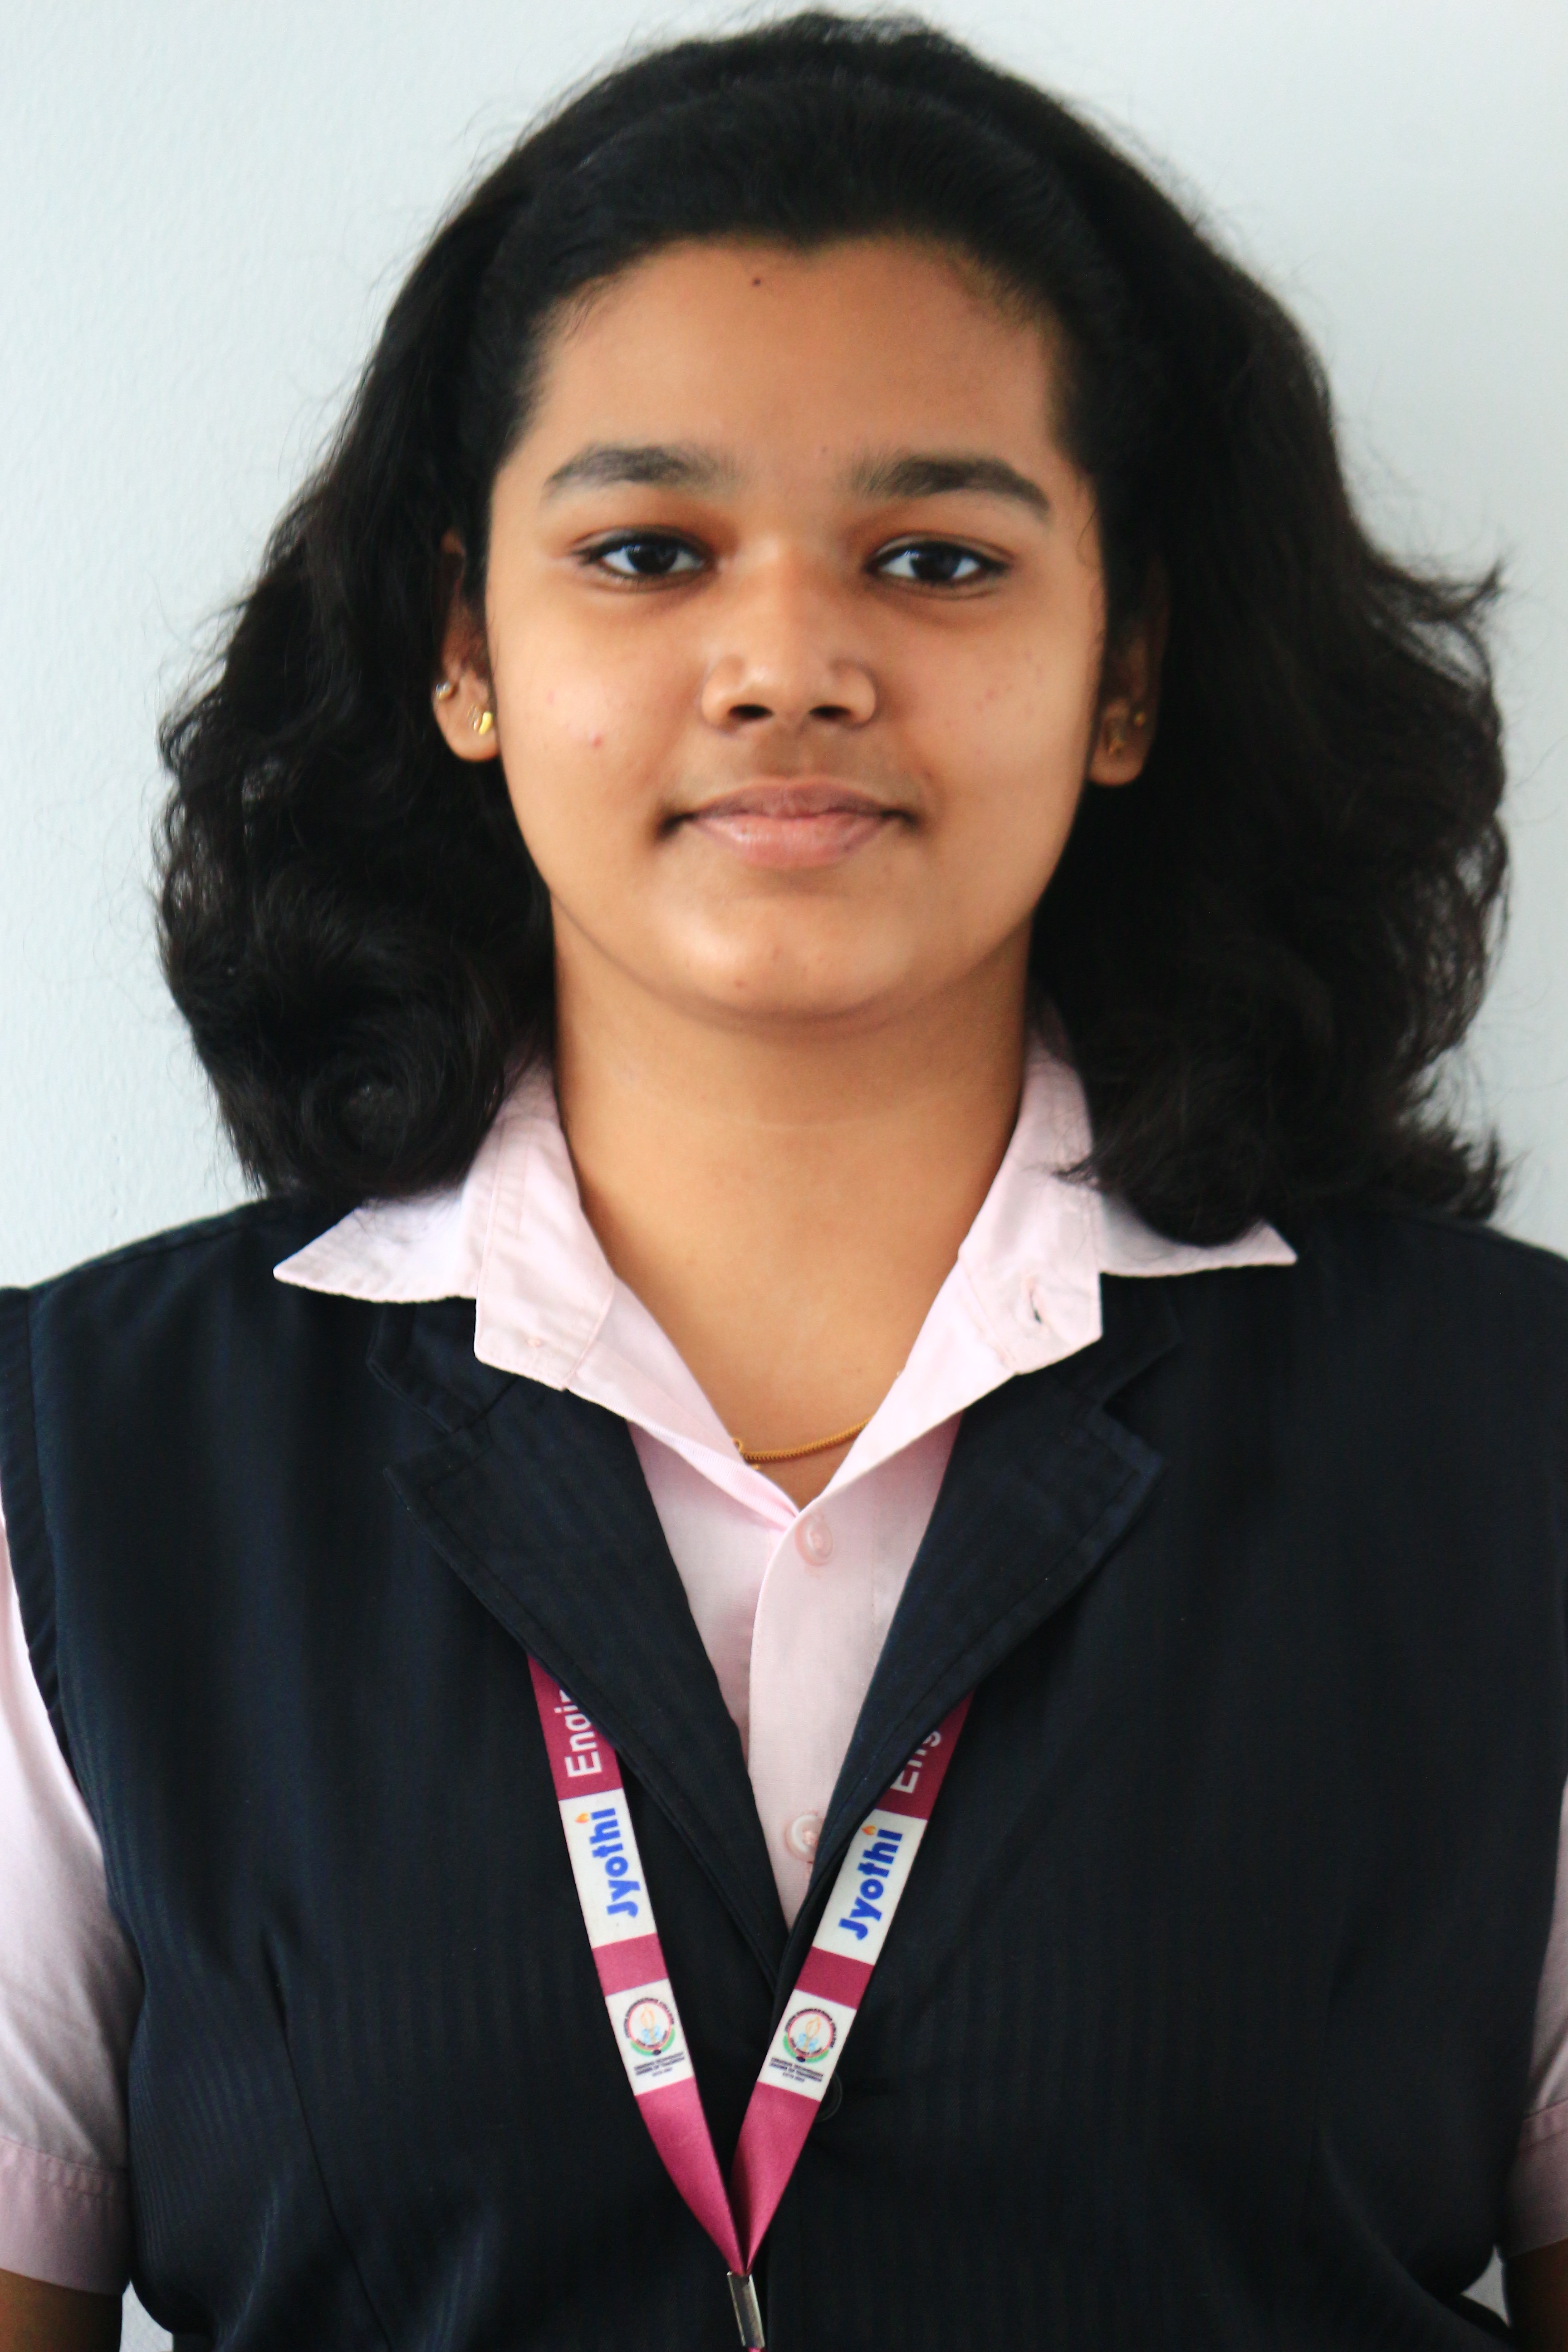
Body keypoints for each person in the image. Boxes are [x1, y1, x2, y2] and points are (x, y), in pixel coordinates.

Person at [1, 11, 1564, 2347]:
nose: (789, 664)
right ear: (464, 645)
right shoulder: (88, 1464)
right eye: (648, 551)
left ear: (1126, 667)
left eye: (935, 558)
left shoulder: (1510, 1440)